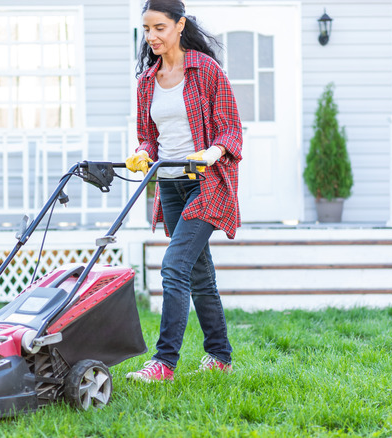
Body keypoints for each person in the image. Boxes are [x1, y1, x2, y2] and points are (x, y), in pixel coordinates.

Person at [125, 0, 243, 382]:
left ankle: (164, 363)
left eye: (159, 27)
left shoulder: (206, 70)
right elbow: (149, 138)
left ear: (180, 25)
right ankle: (220, 355)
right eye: (146, 29)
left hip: (207, 182)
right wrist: (142, 153)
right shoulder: (147, 81)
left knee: (174, 266)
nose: (152, 36)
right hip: (170, 183)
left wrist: (214, 150)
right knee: (198, 273)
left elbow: (232, 128)